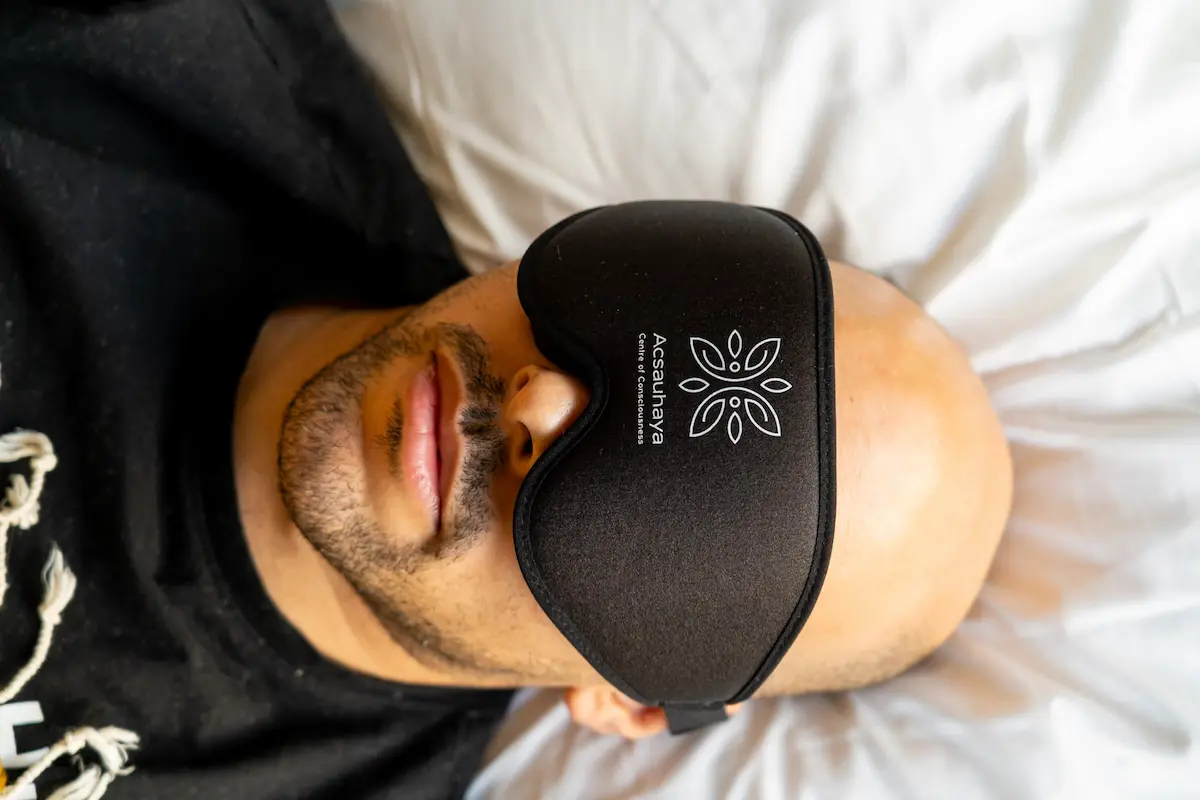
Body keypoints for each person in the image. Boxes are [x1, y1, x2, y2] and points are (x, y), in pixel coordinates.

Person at [0, 0, 1012, 797]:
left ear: (629, 701)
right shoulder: (141, 51)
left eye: (688, 523)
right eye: (671, 314)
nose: (540, 401)